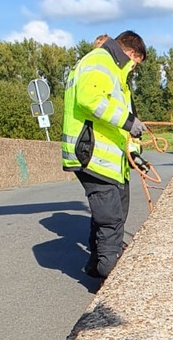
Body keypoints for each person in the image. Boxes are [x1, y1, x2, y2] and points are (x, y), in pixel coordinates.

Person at [62, 30, 147, 280]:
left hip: (108, 160)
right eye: (136, 65)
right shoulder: (100, 61)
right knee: (110, 218)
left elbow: (115, 124)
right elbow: (91, 100)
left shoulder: (114, 72)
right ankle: (109, 278)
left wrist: (135, 153)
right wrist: (129, 121)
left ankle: (95, 263)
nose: (133, 70)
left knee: (112, 210)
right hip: (92, 155)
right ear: (131, 53)